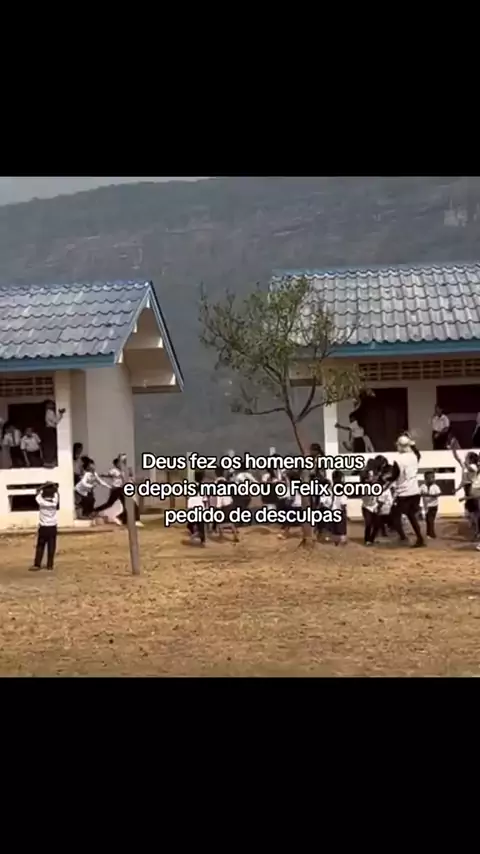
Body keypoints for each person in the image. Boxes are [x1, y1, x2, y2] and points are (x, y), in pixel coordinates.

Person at [390, 434, 424, 547]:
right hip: (415, 491)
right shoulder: (414, 456)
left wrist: (386, 479)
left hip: (403, 492)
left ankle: (403, 537)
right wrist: (413, 445)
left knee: (395, 515)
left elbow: (394, 475)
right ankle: (419, 538)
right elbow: (418, 454)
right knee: (411, 516)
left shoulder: (398, 460)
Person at [30, 482, 59, 572]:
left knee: (40, 546)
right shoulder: (55, 501)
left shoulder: (41, 501)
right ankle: (50, 565)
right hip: (53, 526)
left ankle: (37, 564)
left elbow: (37, 492)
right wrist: (52, 485)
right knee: (51, 546)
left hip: (43, 527)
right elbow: (56, 493)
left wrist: (43, 486)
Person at [186, 470, 208, 545]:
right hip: (200, 507)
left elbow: (188, 497)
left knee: (190, 524)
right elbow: (205, 499)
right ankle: (202, 540)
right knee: (201, 525)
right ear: (202, 478)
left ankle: (195, 534)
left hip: (192, 507)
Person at [43, 401, 65, 467]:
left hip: (48, 429)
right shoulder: (50, 411)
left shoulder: (48, 411)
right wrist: (60, 414)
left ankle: (49, 460)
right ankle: (49, 461)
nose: (53, 405)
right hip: (50, 429)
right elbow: (55, 420)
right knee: (51, 445)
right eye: (51, 404)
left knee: (50, 445)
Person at [420, 471, 441, 539]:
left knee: (431, 519)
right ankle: (429, 533)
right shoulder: (423, 486)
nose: (432, 479)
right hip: (426, 506)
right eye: (430, 478)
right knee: (428, 520)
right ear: (426, 479)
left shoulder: (435, 486)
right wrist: (422, 494)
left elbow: (438, 494)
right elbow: (419, 493)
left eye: (433, 477)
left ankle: (431, 533)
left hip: (434, 506)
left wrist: (429, 495)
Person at [331, 470, 348, 545]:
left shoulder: (332, 487)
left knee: (335, 526)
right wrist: (344, 509)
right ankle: (342, 540)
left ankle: (336, 541)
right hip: (340, 509)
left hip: (333, 509)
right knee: (341, 526)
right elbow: (342, 500)